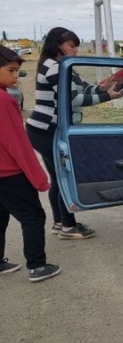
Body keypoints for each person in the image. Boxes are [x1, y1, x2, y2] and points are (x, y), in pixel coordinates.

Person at [25, 27, 123, 240]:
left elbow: (82, 89)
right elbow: (73, 100)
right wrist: (107, 97)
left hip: (44, 130)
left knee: (57, 177)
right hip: (46, 130)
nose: (76, 50)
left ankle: (60, 223)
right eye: (72, 46)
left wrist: (102, 88)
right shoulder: (54, 67)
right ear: (57, 45)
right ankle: (68, 227)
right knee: (64, 178)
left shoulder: (64, 66)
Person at [0, 45, 61, 282]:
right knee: (33, 217)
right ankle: (37, 266)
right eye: (11, 70)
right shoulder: (4, 100)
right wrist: (39, 178)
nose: (16, 76)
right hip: (11, 174)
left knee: (1, 216)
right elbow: (18, 144)